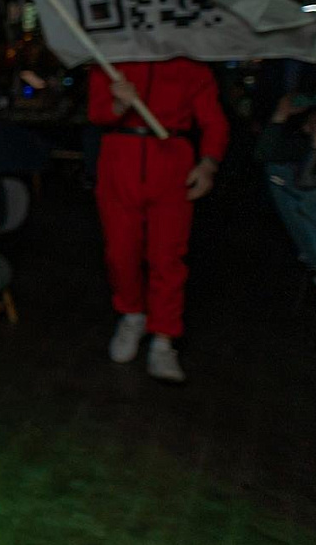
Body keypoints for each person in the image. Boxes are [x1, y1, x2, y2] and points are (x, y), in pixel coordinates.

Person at [90, 60, 229, 384]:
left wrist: (208, 164)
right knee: (119, 252)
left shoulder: (193, 67)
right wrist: (119, 104)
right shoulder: (110, 61)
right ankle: (132, 315)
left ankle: (164, 339)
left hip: (172, 159)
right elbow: (96, 113)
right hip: (119, 159)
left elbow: (214, 121)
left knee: (168, 258)